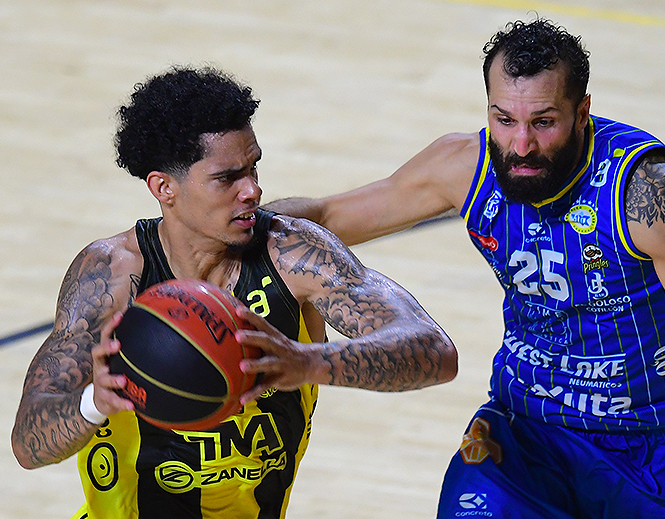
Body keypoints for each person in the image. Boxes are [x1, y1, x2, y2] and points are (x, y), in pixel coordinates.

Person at [264, 18, 665, 519]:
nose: (520, 145)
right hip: (525, 429)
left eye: (543, 122)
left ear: (582, 112)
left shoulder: (648, 193)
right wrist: (223, 224)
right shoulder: (465, 166)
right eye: (504, 120)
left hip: (658, 446)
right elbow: (326, 217)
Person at [11, 66, 458, 519]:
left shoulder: (292, 254)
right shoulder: (110, 275)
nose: (253, 190)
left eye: (253, 168)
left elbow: (435, 351)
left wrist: (308, 362)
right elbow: (27, 444)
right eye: (227, 178)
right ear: (164, 188)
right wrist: (94, 403)